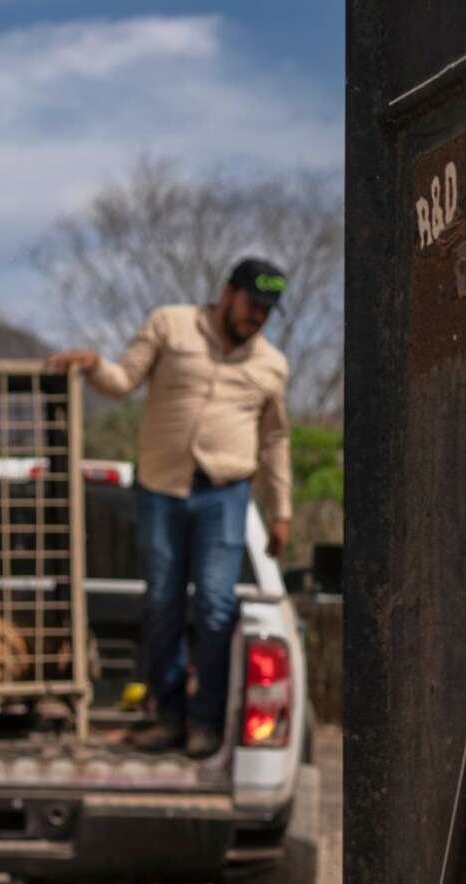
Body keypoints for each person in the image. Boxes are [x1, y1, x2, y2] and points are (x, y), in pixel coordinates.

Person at [46, 258, 293, 759]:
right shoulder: (170, 324)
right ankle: (167, 715)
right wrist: (93, 365)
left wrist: (282, 509)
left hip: (225, 493)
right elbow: (123, 380)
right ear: (228, 292)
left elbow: (274, 440)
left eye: (267, 311)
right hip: (162, 487)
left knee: (216, 605)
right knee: (162, 601)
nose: (257, 317)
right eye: (252, 304)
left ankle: (204, 722)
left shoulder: (272, 364)